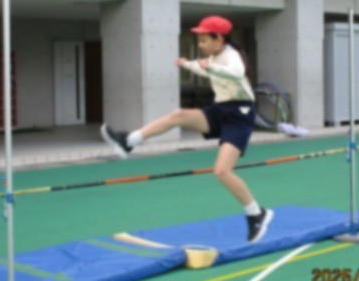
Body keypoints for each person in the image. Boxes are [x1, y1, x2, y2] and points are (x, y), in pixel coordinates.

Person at [101, 15, 274, 243]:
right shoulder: (214, 57)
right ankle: (129, 141)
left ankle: (256, 214)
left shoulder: (231, 55)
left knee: (222, 171)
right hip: (221, 109)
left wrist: (209, 66)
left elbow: (236, 73)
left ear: (219, 39)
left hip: (240, 114)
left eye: (204, 40)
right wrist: (188, 65)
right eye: (199, 40)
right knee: (178, 115)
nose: (200, 45)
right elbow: (206, 70)